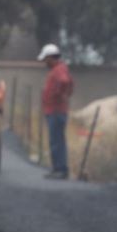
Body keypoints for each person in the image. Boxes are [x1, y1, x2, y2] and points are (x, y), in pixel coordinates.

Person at [38, 43, 74, 180]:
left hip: (56, 111)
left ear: (50, 58)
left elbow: (64, 82)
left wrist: (57, 96)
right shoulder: (61, 69)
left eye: (45, 59)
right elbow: (70, 84)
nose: (44, 62)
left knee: (56, 141)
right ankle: (59, 168)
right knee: (57, 140)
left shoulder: (59, 70)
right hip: (56, 111)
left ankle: (59, 169)